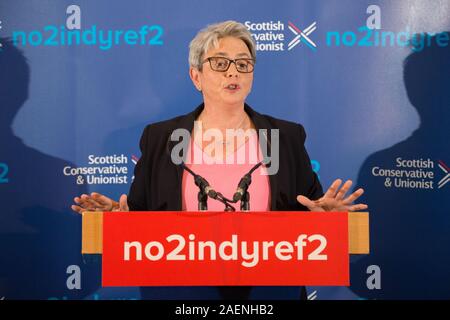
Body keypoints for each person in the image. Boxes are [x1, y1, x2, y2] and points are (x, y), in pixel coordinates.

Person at [71, 21, 367, 299]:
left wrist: (326, 220)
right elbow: (142, 216)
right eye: (220, 63)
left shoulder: (283, 136)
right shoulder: (163, 138)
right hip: (181, 293)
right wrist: (119, 220)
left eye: (243, 64)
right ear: (196, 75)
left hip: (267, 294)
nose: (233, 72)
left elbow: (308, 209)